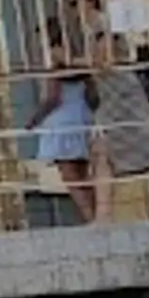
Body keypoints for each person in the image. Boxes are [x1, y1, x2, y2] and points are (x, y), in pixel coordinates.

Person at [27, 29, 98, 221]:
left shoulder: (56, 70)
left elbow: (52, 98)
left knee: (70, 176)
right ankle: (96, 215)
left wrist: (34, 120)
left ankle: (89, 216)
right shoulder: (83, 70)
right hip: (80, 119)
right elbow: (93, 97)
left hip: (61, 123)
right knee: (83, 174)